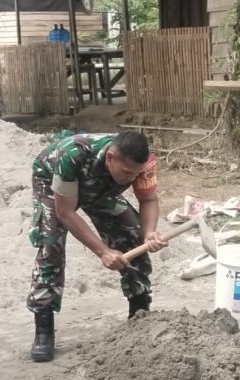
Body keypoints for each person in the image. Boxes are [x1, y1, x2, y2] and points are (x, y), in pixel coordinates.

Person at [27, 130, 167, 362]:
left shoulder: (144, 163)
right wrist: (102, 251)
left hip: (100, 186)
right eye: (127, 173)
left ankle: (139, 314)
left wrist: (150, 233)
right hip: (52, 181)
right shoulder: (72, 156)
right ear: (110, 158)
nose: (131, 179)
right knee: (51, 246)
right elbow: (65, 212)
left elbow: (148, 199)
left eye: (136, 174)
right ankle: (44, 326)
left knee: (133, 234)